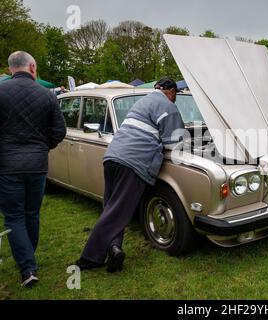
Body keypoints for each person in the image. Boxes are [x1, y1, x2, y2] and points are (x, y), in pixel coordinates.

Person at [76, 77, 185, 272]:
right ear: (170, 91)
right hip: (133, 162)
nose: (174, 98)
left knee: (111, 209)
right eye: (175, 95)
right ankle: (90, 258)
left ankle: (114, 249)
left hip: (112, 157)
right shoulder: (168, 106)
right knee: (117, 213)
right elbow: (175, 141)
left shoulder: (142, 102)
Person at [0, 51, 66, 287]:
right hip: (37, 165)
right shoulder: (46, 95)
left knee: (15, 217)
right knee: (31, 213)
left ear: (10, 69)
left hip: (8, 166)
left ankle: (27, 266)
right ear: (32, 67)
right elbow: (59, 131)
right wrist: (42, 146)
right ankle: (28, 258)